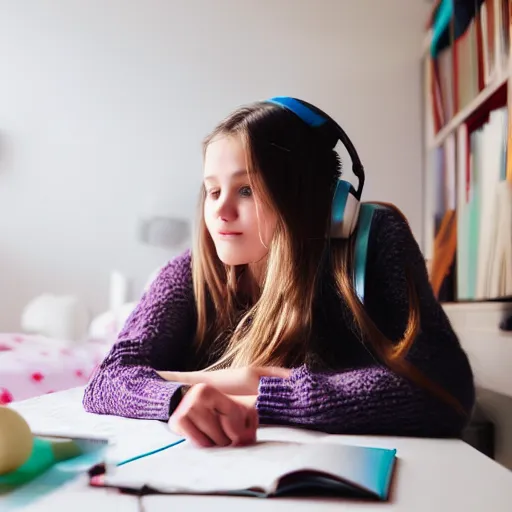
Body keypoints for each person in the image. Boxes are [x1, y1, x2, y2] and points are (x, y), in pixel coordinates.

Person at [83, 97, 475, 448]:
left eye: (246, 190)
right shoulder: (189, 270)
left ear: (307, 198)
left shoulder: (374, 240)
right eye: (213, 191)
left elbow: (442, 386)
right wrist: (183, 397)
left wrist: (259, 390)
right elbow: (107, 382)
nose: (220, 212)